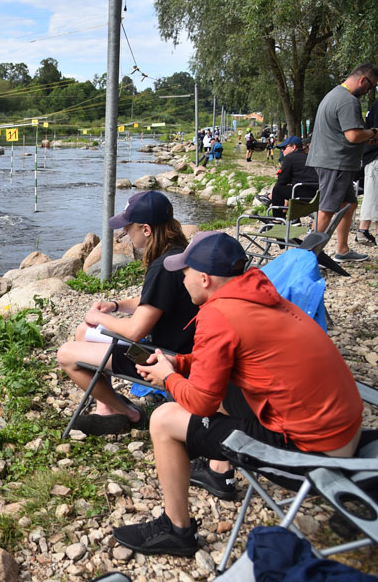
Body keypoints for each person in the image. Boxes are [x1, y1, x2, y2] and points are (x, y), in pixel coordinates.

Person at [112, 232, 363, 557]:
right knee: (221, 388)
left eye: (184, 272)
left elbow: (202, 403)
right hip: (343, 430)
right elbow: (230, 361)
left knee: (162, 419)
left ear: (204, 278)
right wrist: (182, 362)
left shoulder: (218, 316)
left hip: (316, 452)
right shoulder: (260, 294)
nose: (181, 278)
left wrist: (168, 377)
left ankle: (177, 530)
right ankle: (217, 471)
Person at [56, 191, 198, 436]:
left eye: (127, 229)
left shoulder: (163, 267)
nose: (125, 235)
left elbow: (135, 330)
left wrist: (100, 317)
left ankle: (129, 414)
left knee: (66, 354)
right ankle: (107, 410)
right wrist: (115, 305)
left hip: (163, 358)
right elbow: (152, 301)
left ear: (146, 230)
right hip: (181, 349)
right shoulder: (177, 253)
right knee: (83, 331)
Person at [306, 63, 378, 262]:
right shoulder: (348, 101)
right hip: (335, 163)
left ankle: (343, 250)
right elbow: (353, 135)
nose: (368, 91)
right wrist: (374, 132)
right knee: (327, 210)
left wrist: (367, 137)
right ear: (363, 80)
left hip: (333, 161)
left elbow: (343, 134)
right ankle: (306, 259)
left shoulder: (334, 94)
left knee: (349, 204)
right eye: (370, 86)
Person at [256, 136, 318, 211]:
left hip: (303, 193)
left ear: (294, 147)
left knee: (277, 189)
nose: (282, 151)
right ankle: (292, 217)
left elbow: (282, 181)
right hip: (315, 194)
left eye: (284, 148)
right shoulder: (308, 157)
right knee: (288, 188)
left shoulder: (290, 157)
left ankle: (278, 218)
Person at [357, 94, 378, 245]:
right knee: (373, 195)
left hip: (372, 156)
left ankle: (366, 231)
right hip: (375, 157)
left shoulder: (375, 105)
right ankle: (363, 231)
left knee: (374, 195)